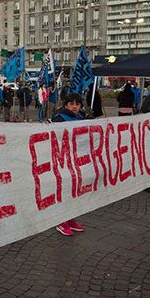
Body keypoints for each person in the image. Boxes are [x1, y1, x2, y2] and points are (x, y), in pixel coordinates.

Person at [51, 93, 87, 236]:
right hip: (62, 159)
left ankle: (71, 219)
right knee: (64, 190)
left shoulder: (81, 117)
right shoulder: (59, 117)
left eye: (77, 104)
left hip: (76, 158)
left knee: (74, 190)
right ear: (66, 105)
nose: (74, 106)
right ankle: (61, 221)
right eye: (71, 104)